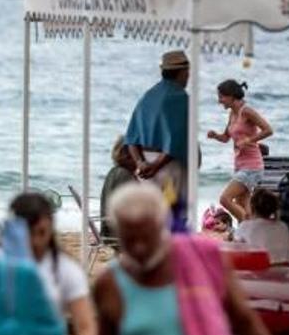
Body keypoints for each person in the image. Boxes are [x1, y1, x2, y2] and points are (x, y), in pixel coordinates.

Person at [93, 182, 289, 335]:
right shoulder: (109, 284)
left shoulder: (205, 261)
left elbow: (246, 323)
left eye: (146, 237)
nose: (139, 247)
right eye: (130, 239)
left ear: (162, 227)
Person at [10, 193, 97, 335]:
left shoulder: (66, 269)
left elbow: (85, 326)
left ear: (51, 228)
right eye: (28, 233)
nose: (35, 241)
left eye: (41, 233)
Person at [124, 50, 191, 229]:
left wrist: (140, 163)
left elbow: (131, 137)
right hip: (168, 167)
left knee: (150, 216)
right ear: (182, 73)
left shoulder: (147, 96)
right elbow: (177, 141)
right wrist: (157, 166)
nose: (188, 79)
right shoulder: (181, 97)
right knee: (173, 215)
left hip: (146, 166)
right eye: (187, 74)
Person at [207, 79, 274, 222]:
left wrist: (249, 140)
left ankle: (247, 227)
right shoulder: (232, 113)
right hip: (239, 166)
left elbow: (268, 130)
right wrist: (215, 135)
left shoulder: (247, 111)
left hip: (252, 166)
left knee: (225, 199)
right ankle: (249, 234)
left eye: (221, 97)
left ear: (231, 96)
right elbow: (226, 137)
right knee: (242, 203)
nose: (219, 101)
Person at [235, 188, 289, 265]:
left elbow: (236, 251)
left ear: (252, 207)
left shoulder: (244, 226)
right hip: (286, 271)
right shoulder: (283, 226)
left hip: (259, 272)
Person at [99, 135, 137, 238]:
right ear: (129, 155)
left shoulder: (114, 172)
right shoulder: (125, 175)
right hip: (119, 233)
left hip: (108, 229)